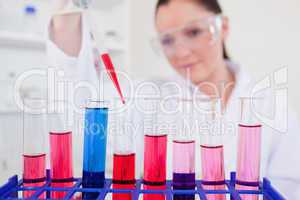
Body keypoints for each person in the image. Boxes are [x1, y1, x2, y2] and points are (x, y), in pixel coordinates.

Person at [47, 0, 300, 198]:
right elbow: (80, 95)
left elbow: (289, 190)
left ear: (222, 27)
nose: (181, 52)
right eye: (168, 40)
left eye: (193, 32)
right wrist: (66, 10)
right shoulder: (150, 97)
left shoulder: (272, 106)